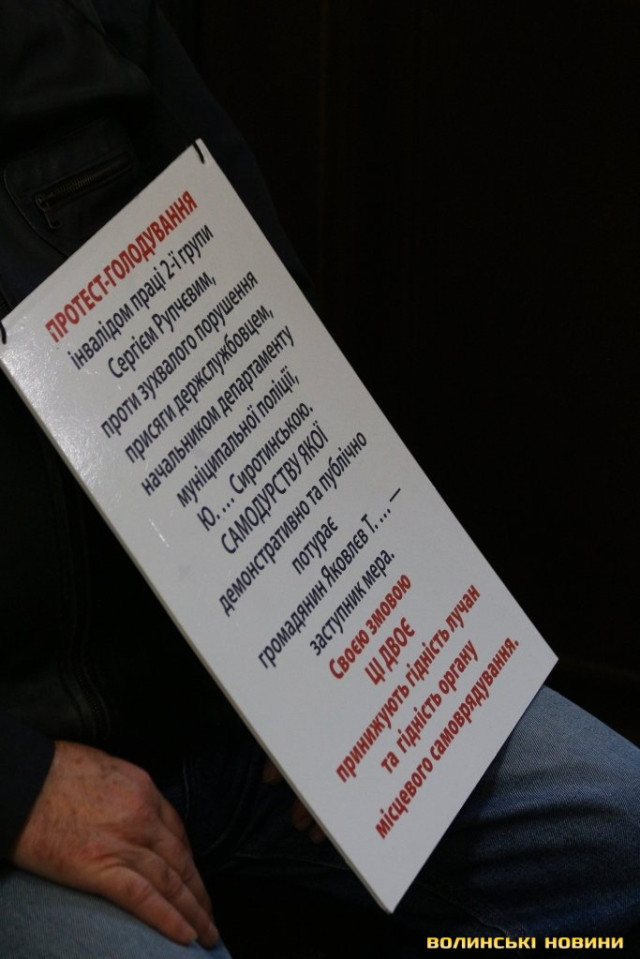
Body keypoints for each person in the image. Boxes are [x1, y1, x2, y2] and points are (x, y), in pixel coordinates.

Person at [1, 2, 638, 956]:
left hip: (235, 688)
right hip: (33, 773)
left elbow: (260, 284)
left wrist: (324, 658)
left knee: (623, 823)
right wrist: (20, 790)